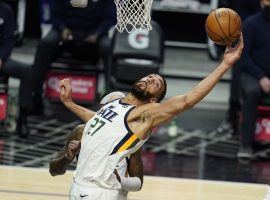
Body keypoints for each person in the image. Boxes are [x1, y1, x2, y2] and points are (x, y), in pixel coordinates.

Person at [56, 34, 243, 199]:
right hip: (78, 186)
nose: (151, 78)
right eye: (151, 76)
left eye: (156, 83)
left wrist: (225, 65)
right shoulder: (114, 103)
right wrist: (69, 103)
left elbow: (187, 100)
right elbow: (96, 119)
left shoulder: (143, 115)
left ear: (153, 100)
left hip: (100, 193)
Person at [49, 91, 143, 199]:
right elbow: (54, 170)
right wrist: (67, 157)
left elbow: (138, 184)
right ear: (103, 109)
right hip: (81, 192)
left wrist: (120, 180)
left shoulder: (131, 138)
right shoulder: (81, 131)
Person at [31, 0, 116, 115]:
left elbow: (109, 18)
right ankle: (36, 97)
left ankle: (112, 101)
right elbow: (55, 15)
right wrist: (62, 29)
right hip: (66, 30)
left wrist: (97, 33)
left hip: (94, 32)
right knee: (45, 44)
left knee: (107, 47)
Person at [215, 0, 261, 136]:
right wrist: (221, 46)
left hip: (262, 31)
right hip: (239, 33)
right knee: (238, 78)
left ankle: (238, 119)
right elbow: (224, 11)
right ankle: (232, 118)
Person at [236, 0, 270, 159]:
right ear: (262, 3)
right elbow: (243, 57)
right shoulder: (250, 24)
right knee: (252, 92)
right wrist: (261, 77)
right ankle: (246, 145)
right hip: (253, 74)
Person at [0, 1, 32, 138]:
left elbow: (9, 39)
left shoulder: (5, 10)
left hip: (1, 60)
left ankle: (23, 119)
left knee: (26, 71)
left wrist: (1, 58)